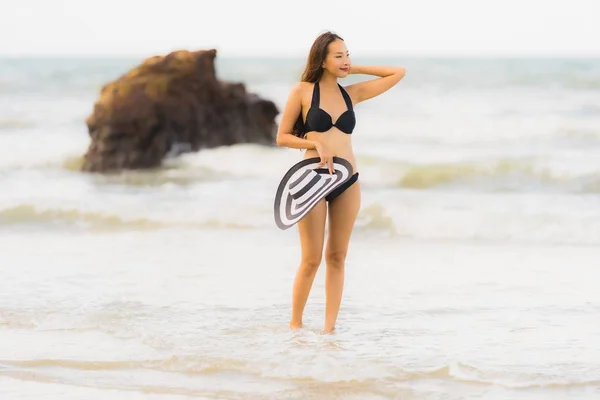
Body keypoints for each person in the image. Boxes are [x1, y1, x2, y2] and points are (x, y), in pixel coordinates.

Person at [275, 31, 406, 333]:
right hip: (311, 180)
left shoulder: (353, 93)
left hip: (348, 180)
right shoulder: (303, 91)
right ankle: (295, 328)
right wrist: (316, 146)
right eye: (338, 55)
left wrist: (353, 68)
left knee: (337, 256)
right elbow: (281, 137)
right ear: (321, 60)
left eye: (347, 54)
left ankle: (329, 331)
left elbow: (398, 72)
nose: (345, 59)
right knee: (311, 260)